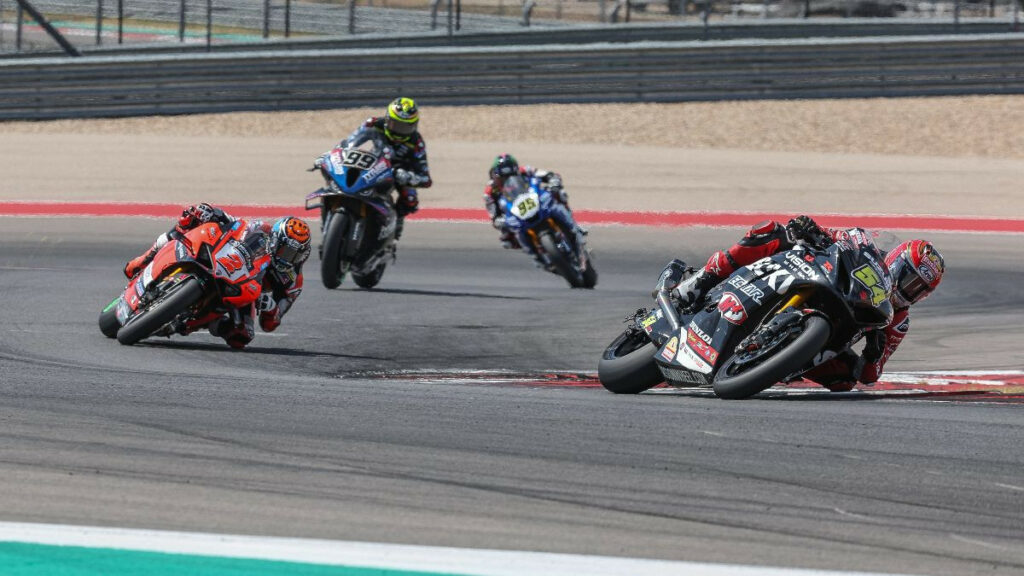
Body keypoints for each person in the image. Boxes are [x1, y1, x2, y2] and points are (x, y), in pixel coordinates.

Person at [671, 215, 945, 391]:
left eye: (919, 291)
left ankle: (777, 364)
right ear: (897, 261)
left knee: (845, 380)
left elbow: (869, 376)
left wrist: (875, 351)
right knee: (770, 232)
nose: (911, 292)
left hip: (834, 329)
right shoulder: (865, 244)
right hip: (814, 275)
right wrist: (809, 228)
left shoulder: (898, 321)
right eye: (911, 281)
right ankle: (700, 282)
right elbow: (831, 234)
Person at [123, 203, 311, 349]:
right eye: (286, 251)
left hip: (247, 291)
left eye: (294, 255)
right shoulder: (261, 230)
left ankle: (199, 321)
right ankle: (142, 260)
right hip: (226, 262)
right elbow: (234, 223)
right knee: (187, 223)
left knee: (242, 336)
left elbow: (271, 324)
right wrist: (208, 211)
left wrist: (270, 307)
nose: (288, 258)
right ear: (276, 241)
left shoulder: (293, 281)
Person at [331, 97, 432, 240]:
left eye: (405, 127)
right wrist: (341, 152)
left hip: (397, 171)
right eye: (395, 125)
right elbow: (350, 142)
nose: (399, 132)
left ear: (414, 125)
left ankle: (394, 230)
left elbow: (426, 178)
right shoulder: (372, 123)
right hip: (371, 161)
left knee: (410, 200)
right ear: (387, 119)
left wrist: (406, 176)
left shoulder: (416, 143)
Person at [482, 153, 586, 264]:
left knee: (559, 194)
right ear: (494, 175)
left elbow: (547, 175)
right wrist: (499, 221)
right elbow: (494, 216)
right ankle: (537, 255)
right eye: (502, 177)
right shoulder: (490, 192)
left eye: (510, 175)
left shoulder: (524, 170)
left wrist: (553, 181)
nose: (506, 180)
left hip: (535, 200)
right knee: (507, 240)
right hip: (514, 213)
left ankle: (573, 224)